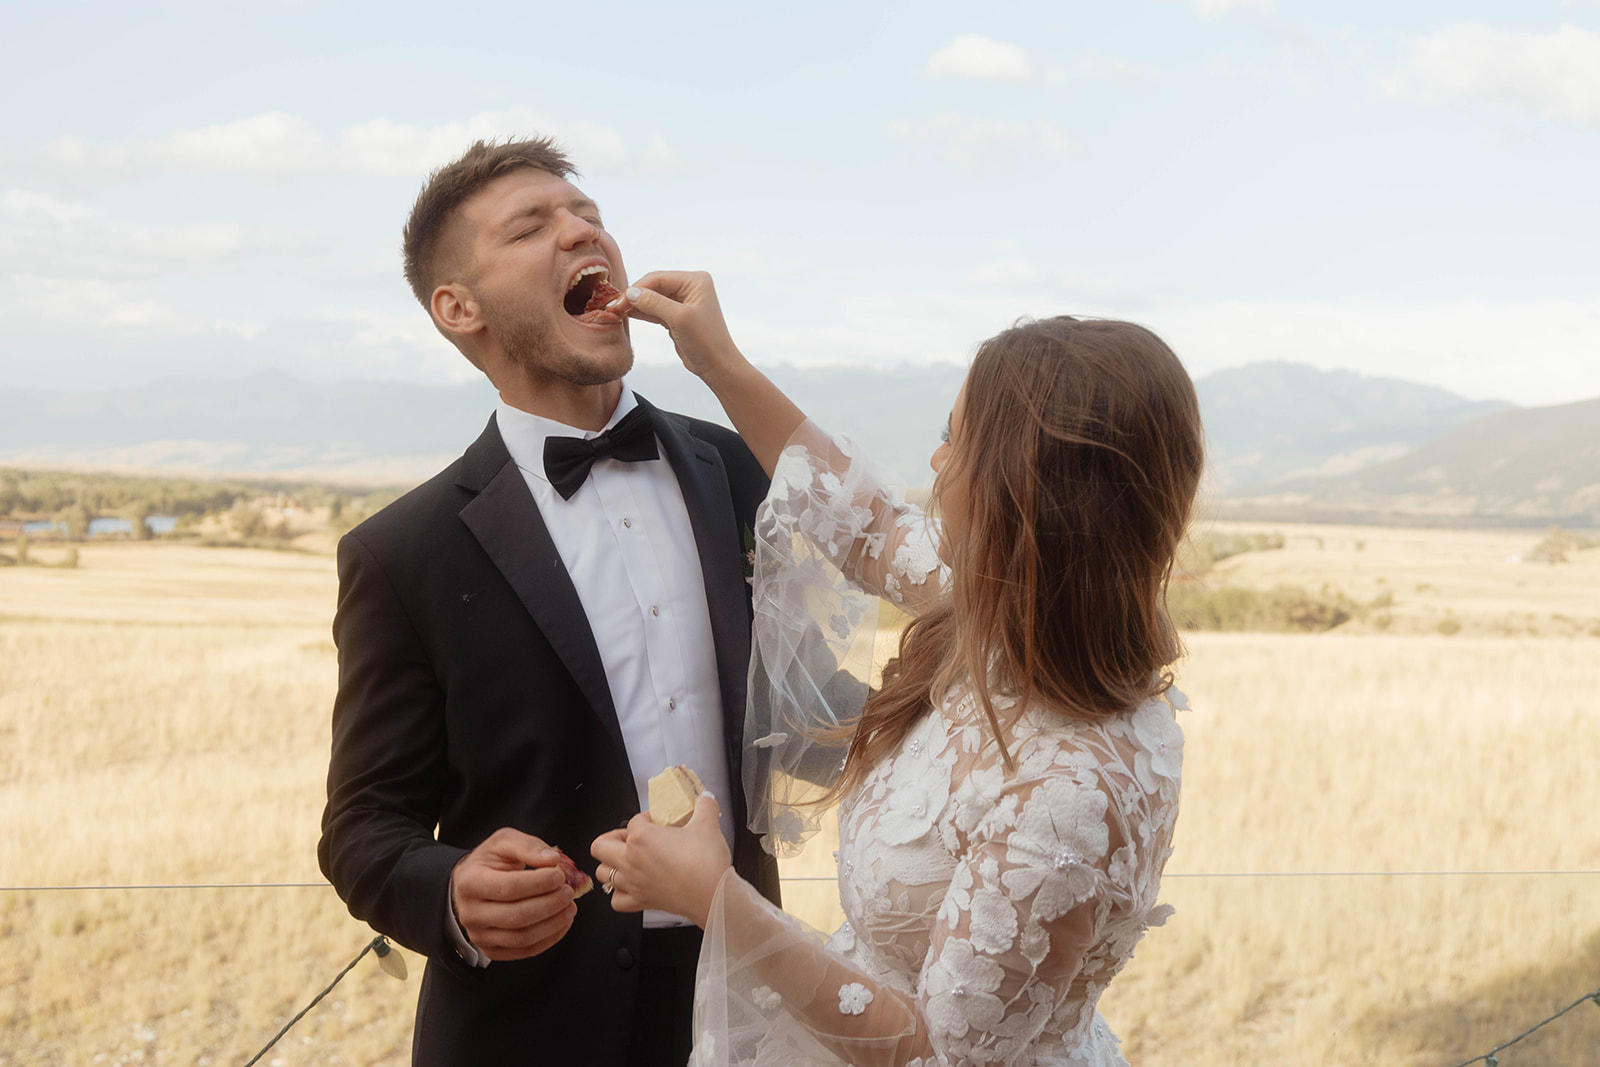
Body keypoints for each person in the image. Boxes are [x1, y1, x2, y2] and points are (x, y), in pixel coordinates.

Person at [592, 272, 1205, 1065]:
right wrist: (720, 362)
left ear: (1026, 497)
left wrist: (716, 899)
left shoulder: (1070, 791)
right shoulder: (999, 609)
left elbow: (937, 1052)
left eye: (958, 441)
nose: (936, 461)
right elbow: (864, 518)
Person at [316, 140, 781, 1067]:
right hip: (527, 1027)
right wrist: (449, 890)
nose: (581, 231)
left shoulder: (731, 467)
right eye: (532, 227)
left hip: (749, 1000)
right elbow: (363, 828)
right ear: (459, 308)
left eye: (589, 215)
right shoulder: (402, 552)